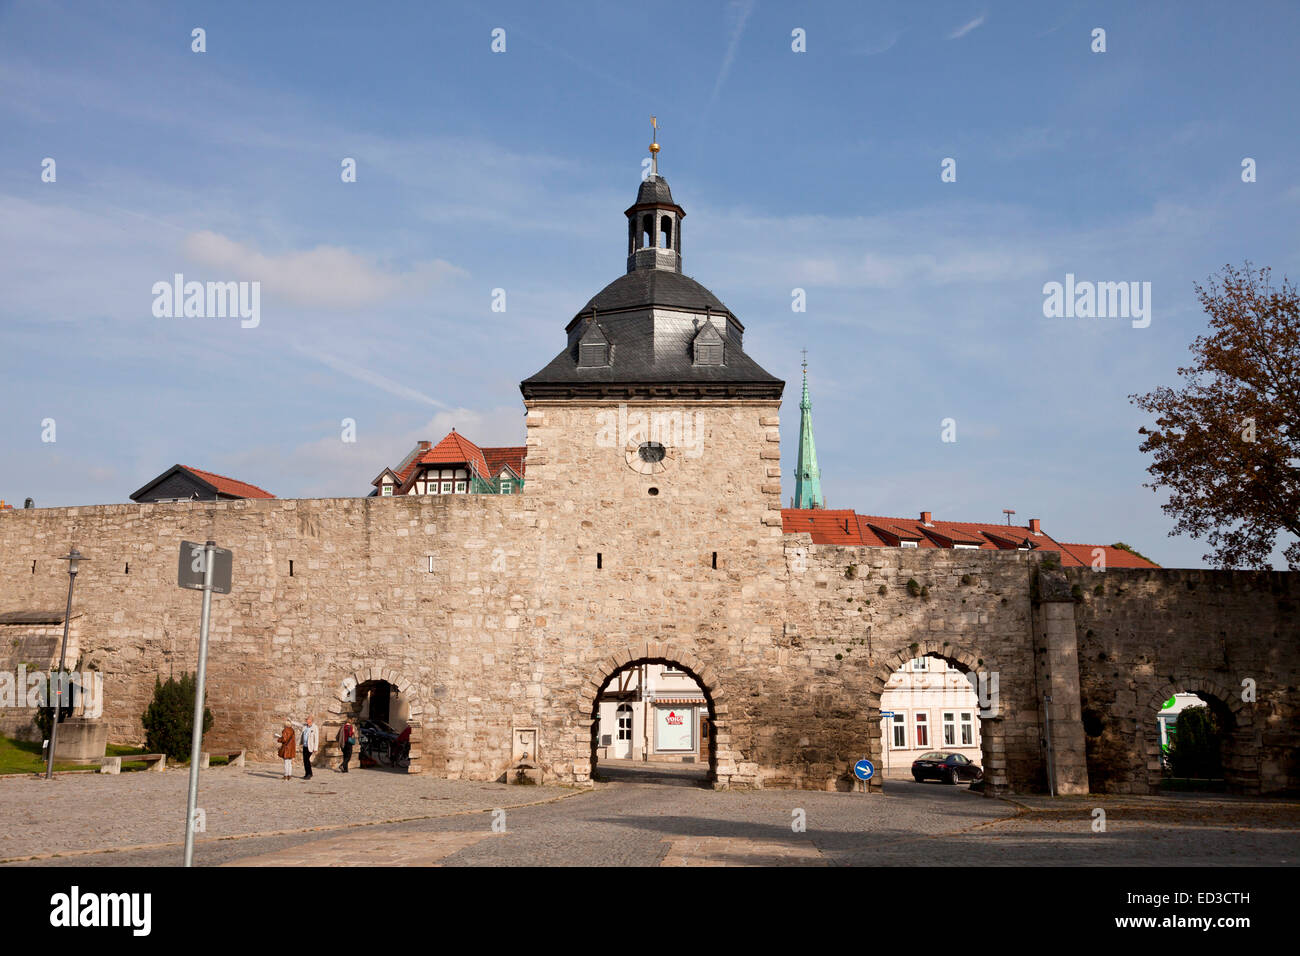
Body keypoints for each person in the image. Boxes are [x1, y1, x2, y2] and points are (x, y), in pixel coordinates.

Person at [301, 715, 319, 779]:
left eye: (307, 719)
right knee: (305, 760)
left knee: (307, 760)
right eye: (306, 719)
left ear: (311, 720)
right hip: (305, 746)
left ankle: (309, 774)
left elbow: (316, 738)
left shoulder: (315, 727)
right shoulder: (305, 727)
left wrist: (315, 748)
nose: (306, 720)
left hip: (310, 746)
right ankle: (307, 773)